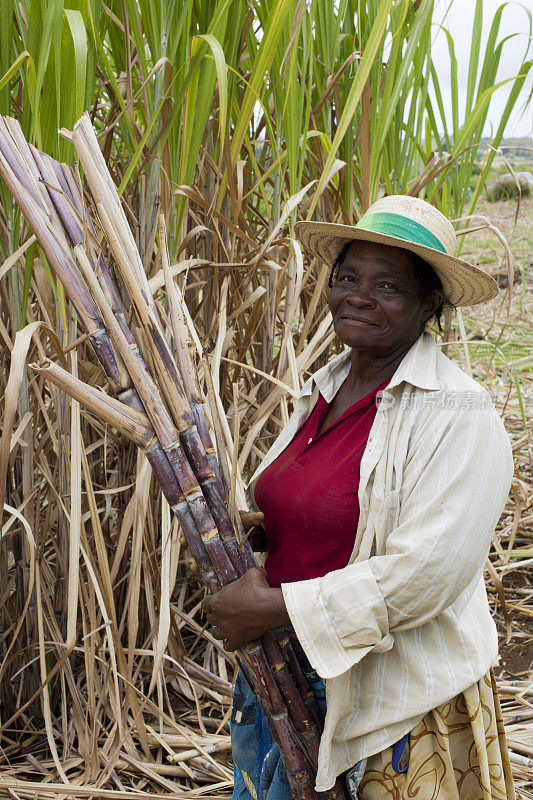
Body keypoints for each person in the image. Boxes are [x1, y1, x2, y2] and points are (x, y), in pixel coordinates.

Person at [201, 195, 515, 800]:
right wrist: (270, 529)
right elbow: (339, 508)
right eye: (347, 277)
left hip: (389, 699)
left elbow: (423, 576)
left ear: (431, 304)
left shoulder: (459, 414)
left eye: (387, 285)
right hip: (283, 668)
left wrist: (270, 609)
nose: (358, 295)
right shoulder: (328, 385)